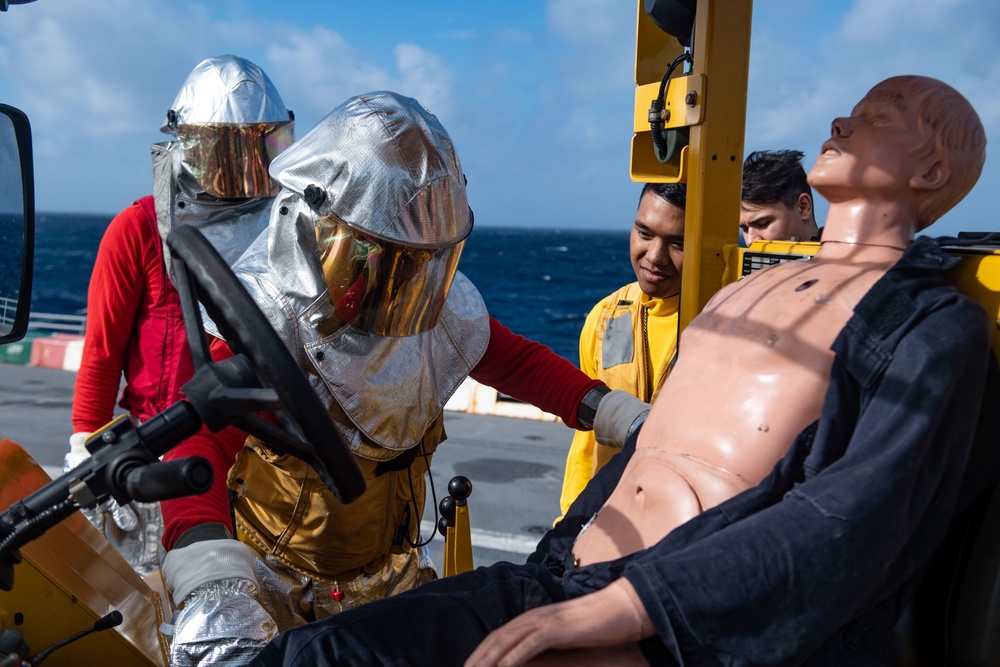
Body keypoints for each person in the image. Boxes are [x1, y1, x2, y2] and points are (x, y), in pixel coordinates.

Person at [250, 75, 998, 667]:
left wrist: (627, 606)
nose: (842, 121)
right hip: (565, 575)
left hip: (679, 629)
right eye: (854, 108)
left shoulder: (930, 325)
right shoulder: (740, 294)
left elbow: (849, 518)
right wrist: (570, 571)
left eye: (885, 111)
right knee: (311, 655)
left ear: (933, 167)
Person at [157, 91, 643, 666]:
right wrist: (212, 582)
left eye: (423, 265)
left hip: (392, 577)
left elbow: (517, 362)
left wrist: (626, 418)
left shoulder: (431, 307)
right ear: (325, 232)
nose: (408, 286)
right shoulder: (266, 319)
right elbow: (196, 445)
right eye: (389, 260)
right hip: (271, 593)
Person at [68, 55, 293, 576]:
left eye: (262, 147)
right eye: (230, 151)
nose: (248, 168)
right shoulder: (140, 229)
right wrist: (86, 446)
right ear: (191, 147)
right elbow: (102, 352)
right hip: (162, 453)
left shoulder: (288, 233)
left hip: (263, 460)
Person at [557, 182, 685, 520]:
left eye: (678, 243)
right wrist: (568, 522)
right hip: (605, 525)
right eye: (644, 233)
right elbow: (586, 438)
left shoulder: (722, 322)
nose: (654, 256)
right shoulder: (608, 316)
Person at [739, 149, 820, 244]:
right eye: (745, 229)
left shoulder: (840, 257)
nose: (750, 240)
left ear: (803, 207)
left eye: (763, 224)